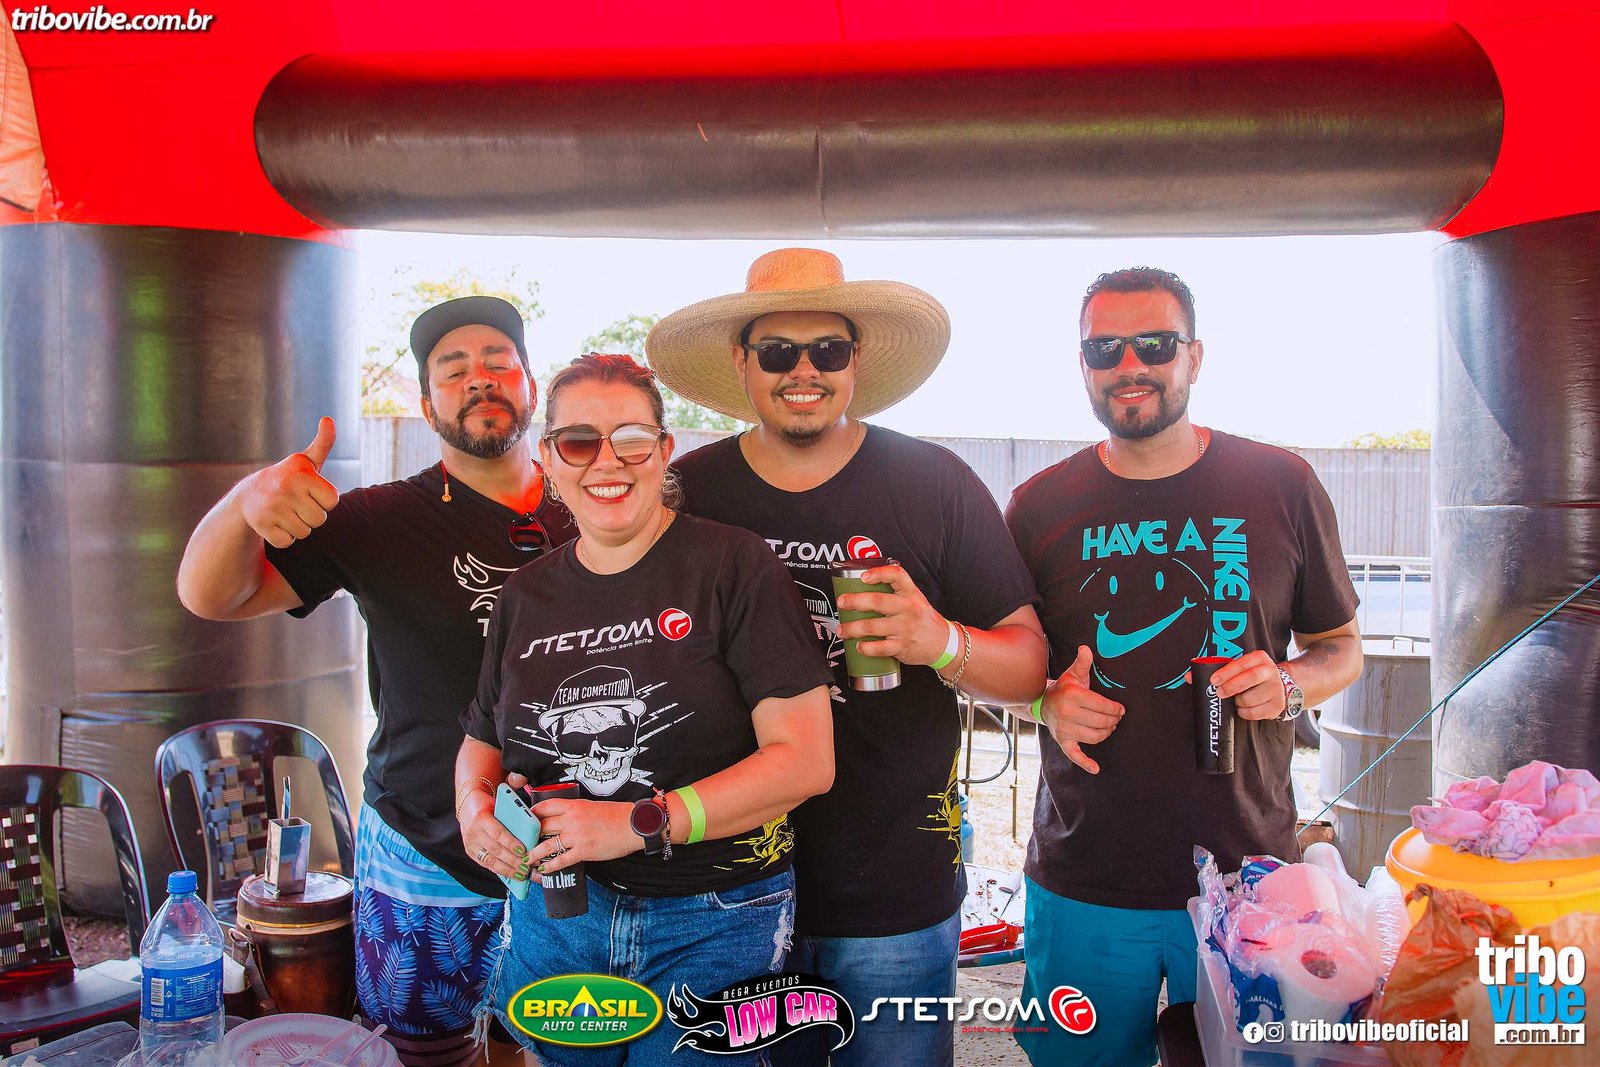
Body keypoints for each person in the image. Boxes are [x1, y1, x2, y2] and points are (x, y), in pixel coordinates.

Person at [647, 248, 1048, 1067]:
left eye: (827, 349)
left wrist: (939, 640)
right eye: (778, 351)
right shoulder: (687, 491)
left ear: (856, 360)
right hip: (721, 893)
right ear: (742, 362)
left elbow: (1029, 667)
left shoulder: (934, 483)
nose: (805, 370)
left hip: (893, 892)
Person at [176, 296, 574, 1067]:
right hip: (423, 848)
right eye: (453, 370)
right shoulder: (378, 519)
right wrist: (246, 501)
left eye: (498, 361)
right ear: (427, 407)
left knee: (551, 1048)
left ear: (531, 385)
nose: (479, 378)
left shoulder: (595, 508)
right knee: (423, 1053)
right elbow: (211, 593)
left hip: (572, 845)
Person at [1003, 267, 1364, 1066]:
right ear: (1083, 365)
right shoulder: (1037, 506)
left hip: (1248, 877)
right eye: (1105, 349)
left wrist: (1289, 684)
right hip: (1085, 875)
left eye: (1155, 344)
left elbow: (1342, 646)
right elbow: (999, 663)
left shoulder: (1279, 484)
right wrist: (1043, 702)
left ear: (1194, 357)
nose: (1129, 365)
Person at [456, 353, 835, 1067]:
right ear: (549, 460)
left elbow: (806, 760)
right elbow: (481, 738)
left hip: (714, 916)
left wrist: (635, 821)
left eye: (630, 439)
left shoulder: (734, 565)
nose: (607, 461)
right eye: (578, 441)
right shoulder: (524, 596)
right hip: (557, 911)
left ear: (664, 450)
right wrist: (474, 811)